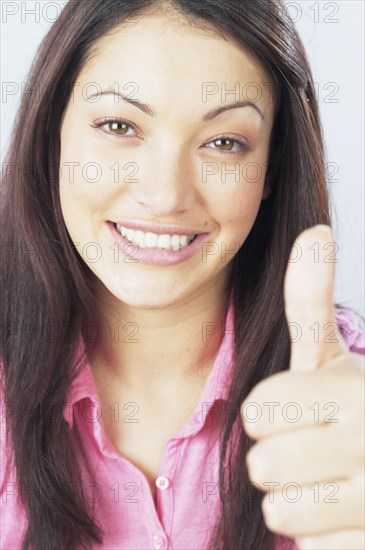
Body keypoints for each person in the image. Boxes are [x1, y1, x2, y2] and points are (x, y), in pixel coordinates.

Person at [0, 1, 364, 549]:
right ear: (55, 135)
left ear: (270, 168)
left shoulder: (347, 401)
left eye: (224, 143)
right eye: (119, 126)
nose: (166, 196)